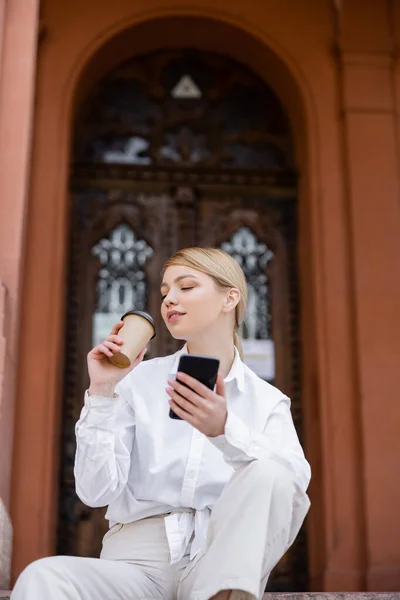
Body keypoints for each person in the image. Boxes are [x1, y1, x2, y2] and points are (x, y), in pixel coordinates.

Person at [12, 247, 311, 600]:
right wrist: (103, 391)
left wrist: (225, 431)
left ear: (230, 297)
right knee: (45, 576)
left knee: (272, 472)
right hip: (135, 564)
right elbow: (95, 492)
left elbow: (291, 486)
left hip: (217, 562)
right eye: (165, 292)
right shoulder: (138, 381)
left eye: (186, 287)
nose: (170, 299)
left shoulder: (265, 401)